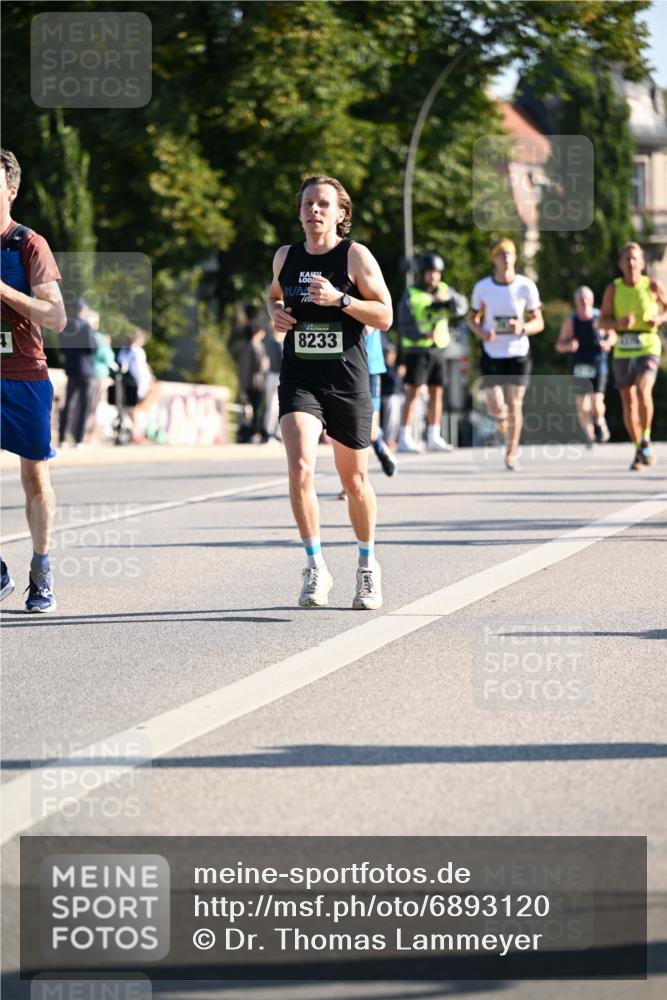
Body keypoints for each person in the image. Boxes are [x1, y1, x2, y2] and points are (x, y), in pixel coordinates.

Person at [267, 174, 392, 610]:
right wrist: (276, 314)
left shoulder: (355, 256)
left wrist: (342, 300)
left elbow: (384, 316)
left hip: (347, 380)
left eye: (323, 204)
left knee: (353, 481)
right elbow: (274, 296)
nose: (314, 210)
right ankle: (315, 566)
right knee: (300, 466)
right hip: (300, 377)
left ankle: (367, 565)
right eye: (308, 204)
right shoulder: (286, 256)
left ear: (341, 214)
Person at [0, 148, 66, 612]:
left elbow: (56, 317)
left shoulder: (27, 244)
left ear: (11, 191)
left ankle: (40, 570)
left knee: (35, 477)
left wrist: (3, 290)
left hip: (24, 374)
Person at [466, 238, 544, 470]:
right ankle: (501, 421)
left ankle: (511, 453)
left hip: (518, 352)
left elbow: (539, 322)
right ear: (494, 259)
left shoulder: (526, 286)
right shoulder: (483, 287)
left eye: (510, 253)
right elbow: (471, 319)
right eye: (501, 254)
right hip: (492, 352)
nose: (507, 257)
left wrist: (522, 328)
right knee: (494, 403)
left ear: (516, 257)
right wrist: (482, 332)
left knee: (515, 403)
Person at [599, 241, 667, 470]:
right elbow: (601, 321)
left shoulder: (653, 285)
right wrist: (617, 324)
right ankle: (639, 448)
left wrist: (659, 319)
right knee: (628, 403)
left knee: (643, 389)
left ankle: (646, 437)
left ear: (642, 263)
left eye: (634, 258)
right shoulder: (614, 289)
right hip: (623, 348)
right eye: (626, 259)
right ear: (620, 264)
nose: (631, 263)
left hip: (648, 345)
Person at [397, 252, 468, 453]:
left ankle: (433, 436)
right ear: (422, 273)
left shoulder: (444, 290)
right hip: (417, 350)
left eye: (437, 273)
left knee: (437, 391)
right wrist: (422, 334)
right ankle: (404, 436)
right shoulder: (412, 294)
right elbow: (404, 323)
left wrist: (449, 299)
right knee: (413, 392)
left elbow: (462, 307)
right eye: (430, 272)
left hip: (439, 349)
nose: (434, 276)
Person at [338, 325, 397, 499]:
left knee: (368, 429)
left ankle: (379, 447)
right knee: (347, 426)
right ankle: (350, 484)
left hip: (370, 367)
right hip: (344, 365)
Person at [556, 286, 614, 446]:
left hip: (598, 362)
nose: (583, 300)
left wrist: (607, 343)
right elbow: (559, 345)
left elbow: (612, 336)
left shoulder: (599, 316)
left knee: (597, 401)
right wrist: (568, 346)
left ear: (592, 299)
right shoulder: (571, 320)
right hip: (579, 364)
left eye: (586, 297)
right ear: (575, 301)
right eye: (580, 298)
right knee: (582, 405)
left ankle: (600, 421)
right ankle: (590, 436)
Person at [58, 297, 97, 447]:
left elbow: (63, 348)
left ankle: (62, 438)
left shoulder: (67, 326)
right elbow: (92, 348)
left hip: (71, 368)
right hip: (86, 370)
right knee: (84, 406)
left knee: (68, 404)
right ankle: (79, 440)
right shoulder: (87, 326)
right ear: (84, 310)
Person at [115, 327, 156, 443]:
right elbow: (140, 371)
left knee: (131, 408)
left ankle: (135, 432)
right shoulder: (137, 351)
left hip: (125, 382)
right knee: (136, 408)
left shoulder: (124, 351)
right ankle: (136, 433)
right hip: (136, 383)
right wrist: (145, 385)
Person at [237, 317, 269, 442]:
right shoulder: (257, 347)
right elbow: (259, 366)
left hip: (244, 382)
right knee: (257, 409)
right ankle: (255, 433)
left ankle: (245, 434)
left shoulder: (242, 347)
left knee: (245, 409)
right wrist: (266, 363)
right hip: (256, 383)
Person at [380, 336, 404, 448]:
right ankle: (387, 439)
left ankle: (392, 439)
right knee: (389, 420)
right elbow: (393, 380)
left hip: (396, 395)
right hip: (388, 396)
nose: (392, 356)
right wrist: (399, 374)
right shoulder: (384, 367)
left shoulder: (393, 367)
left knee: (396, 420)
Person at [264, 328, 285, 441]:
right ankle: (271, 431)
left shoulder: (270, 344)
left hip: (272, 375)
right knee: (275, 406)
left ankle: (271, 431)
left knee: (273, 405)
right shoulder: (279, 345)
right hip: (277, 376)